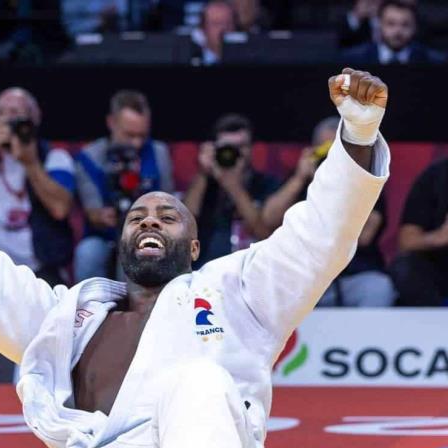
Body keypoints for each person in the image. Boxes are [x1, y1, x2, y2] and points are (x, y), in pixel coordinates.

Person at [0, 69, 390, 448]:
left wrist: (359, 134)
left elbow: (318, 237)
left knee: (198, 382)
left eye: (167, 216)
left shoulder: (237, 292)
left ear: (194, 247)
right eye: (138, 216)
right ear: (122, 239)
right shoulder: (70, 318)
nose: (150, 222)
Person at [262, 116, 395, 306]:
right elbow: (268, 220)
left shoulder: (366, 181)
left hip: (353, 275)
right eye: (326, 151)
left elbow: (365, 235)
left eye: (338, 151)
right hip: (305, 275)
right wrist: (300, 178)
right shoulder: (299, 180)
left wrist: (346, 178)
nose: (331, 158)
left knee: (378, 288)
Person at [0, 87, 77, 286]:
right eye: (3, 113)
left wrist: (30, 163)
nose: (9, 121)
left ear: (34, 118)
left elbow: (60, 208)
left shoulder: (55, 157)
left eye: (16, 113)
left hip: (40, 268)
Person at [73, 89, 174, 281]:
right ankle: (87, 309)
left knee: (138, 254)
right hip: (104, 235)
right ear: (111, 123)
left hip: (149, 233)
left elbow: (169, 204)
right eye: (129, 135)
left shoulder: (159, 153)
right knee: (87, 253)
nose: (136, 143)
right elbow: (93, 212)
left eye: (142, 136)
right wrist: (103, 216)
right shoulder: (90, 157)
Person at [183, 113, 280, 267]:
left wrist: (232, 184)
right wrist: (203, 172)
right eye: (228, 147)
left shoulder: (266, 183)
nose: (234, 153)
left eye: (241, 146)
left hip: (249, 271)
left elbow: (263, 232)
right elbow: (184, 222)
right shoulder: (204, 183)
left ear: (251, 148)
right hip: (204, 268)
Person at [389, 158, 448, 306]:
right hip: (439, 268)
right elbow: (406, 241)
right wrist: (439, 237)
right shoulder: (436, 175)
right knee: (405, 268)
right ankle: (431, 326)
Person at [343, 0, 445, 65]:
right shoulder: (353, 60)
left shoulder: (434, 62)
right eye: (391, 24)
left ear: (415, 27)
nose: (398, 31)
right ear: (379, 25)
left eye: (405, 25)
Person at [190, 0, 236, 66]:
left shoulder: (246, 61)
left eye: (228, 23)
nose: (224, 29)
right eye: (217, 24)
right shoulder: (191, 60)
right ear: (203, 29)